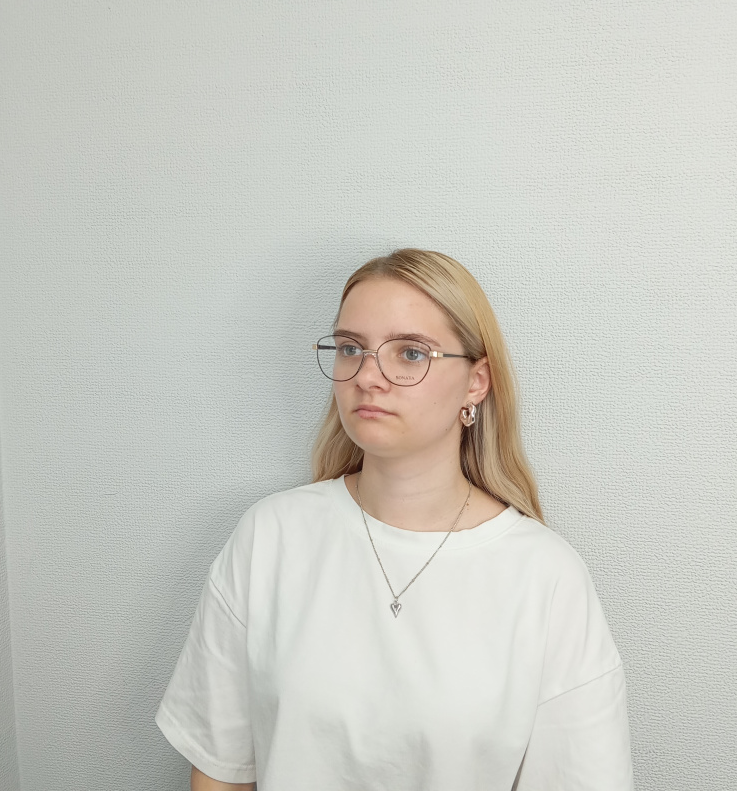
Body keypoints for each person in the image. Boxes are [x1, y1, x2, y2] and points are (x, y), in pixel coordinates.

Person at [155, 248, 635, 790]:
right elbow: (220, 772)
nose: (367, 376)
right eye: (350, 348)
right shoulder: (271, 537)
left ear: (476, 382)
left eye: (410, 353)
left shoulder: (545, 578)